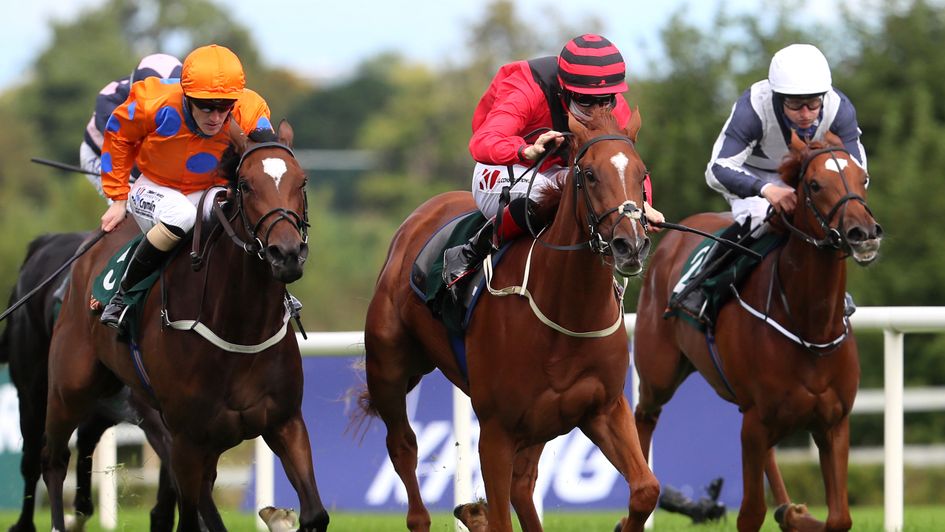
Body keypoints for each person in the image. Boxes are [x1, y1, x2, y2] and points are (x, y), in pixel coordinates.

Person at [442, 33, 664, 299]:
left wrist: (644, 202)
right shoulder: (526, 87)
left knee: (597, 200)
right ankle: (472, 250)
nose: (597, 111)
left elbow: (627, 165)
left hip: (561, 172)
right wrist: (526, 150)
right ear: (564, 89)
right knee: (556, 196)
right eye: (586, 101)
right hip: (503, 167)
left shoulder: (610, 104)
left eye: (605, 100)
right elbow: (482, 142)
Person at [673, 43, 867, 319]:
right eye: (795, 104)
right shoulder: (753, 108)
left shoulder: (839, 108)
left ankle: (834, 291)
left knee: (823, 221)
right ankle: (698, 284)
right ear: (777, 97)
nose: (806, 114)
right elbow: (717, 169)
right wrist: (765, 190)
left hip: (804, 177)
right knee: (760, 221)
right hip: (752, 176)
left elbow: (858, 170)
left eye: (814, 103)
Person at [98, 44, 274, 330]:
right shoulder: (152, 102)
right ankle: (123, 294)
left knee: (242, 217)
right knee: (181, 215)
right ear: (186, 95)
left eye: (224, 108)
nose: (216, 117)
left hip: (208, 190)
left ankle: (279, 295)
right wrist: (118, 199)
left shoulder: (249, 108)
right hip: (154, 186)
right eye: (206, 106)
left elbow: (269, 154)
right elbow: (118, 135)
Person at [79, 53, 183, 198]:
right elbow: (125, 154)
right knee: (132, 200)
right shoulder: (109, 103)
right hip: (102, 155)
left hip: (146, 155)